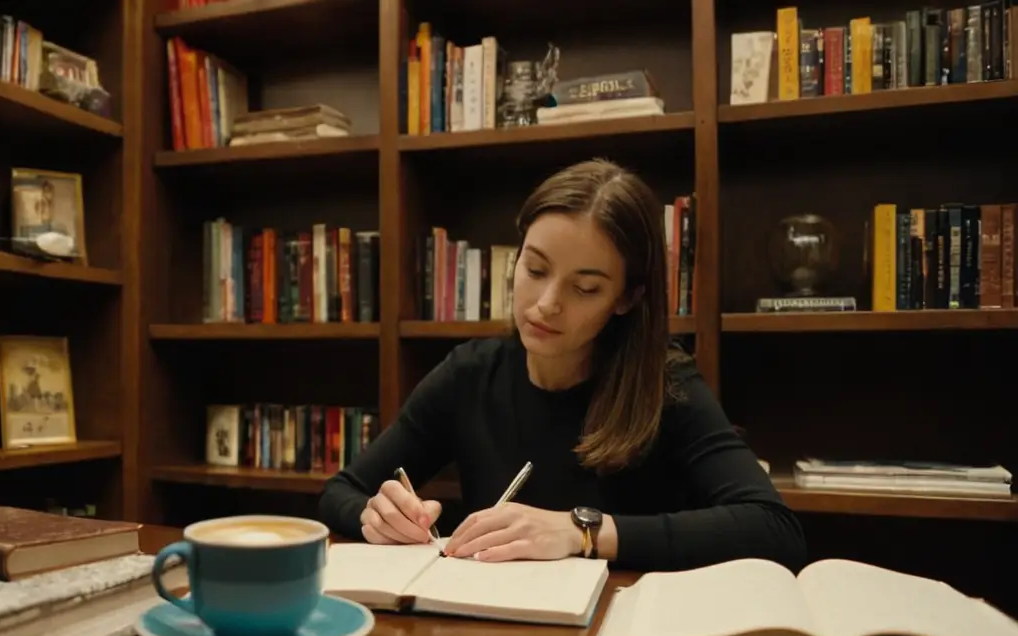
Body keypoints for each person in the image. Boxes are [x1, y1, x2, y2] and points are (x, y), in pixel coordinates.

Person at [316, 159, 808, 573]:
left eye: (585, 288)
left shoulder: (662, 382)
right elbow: (342, 490)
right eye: (534, 269)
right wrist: (374, 515)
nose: (547, 303)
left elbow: (774, 528)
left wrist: (582, 530)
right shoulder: (470, 373)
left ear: (627, 297)